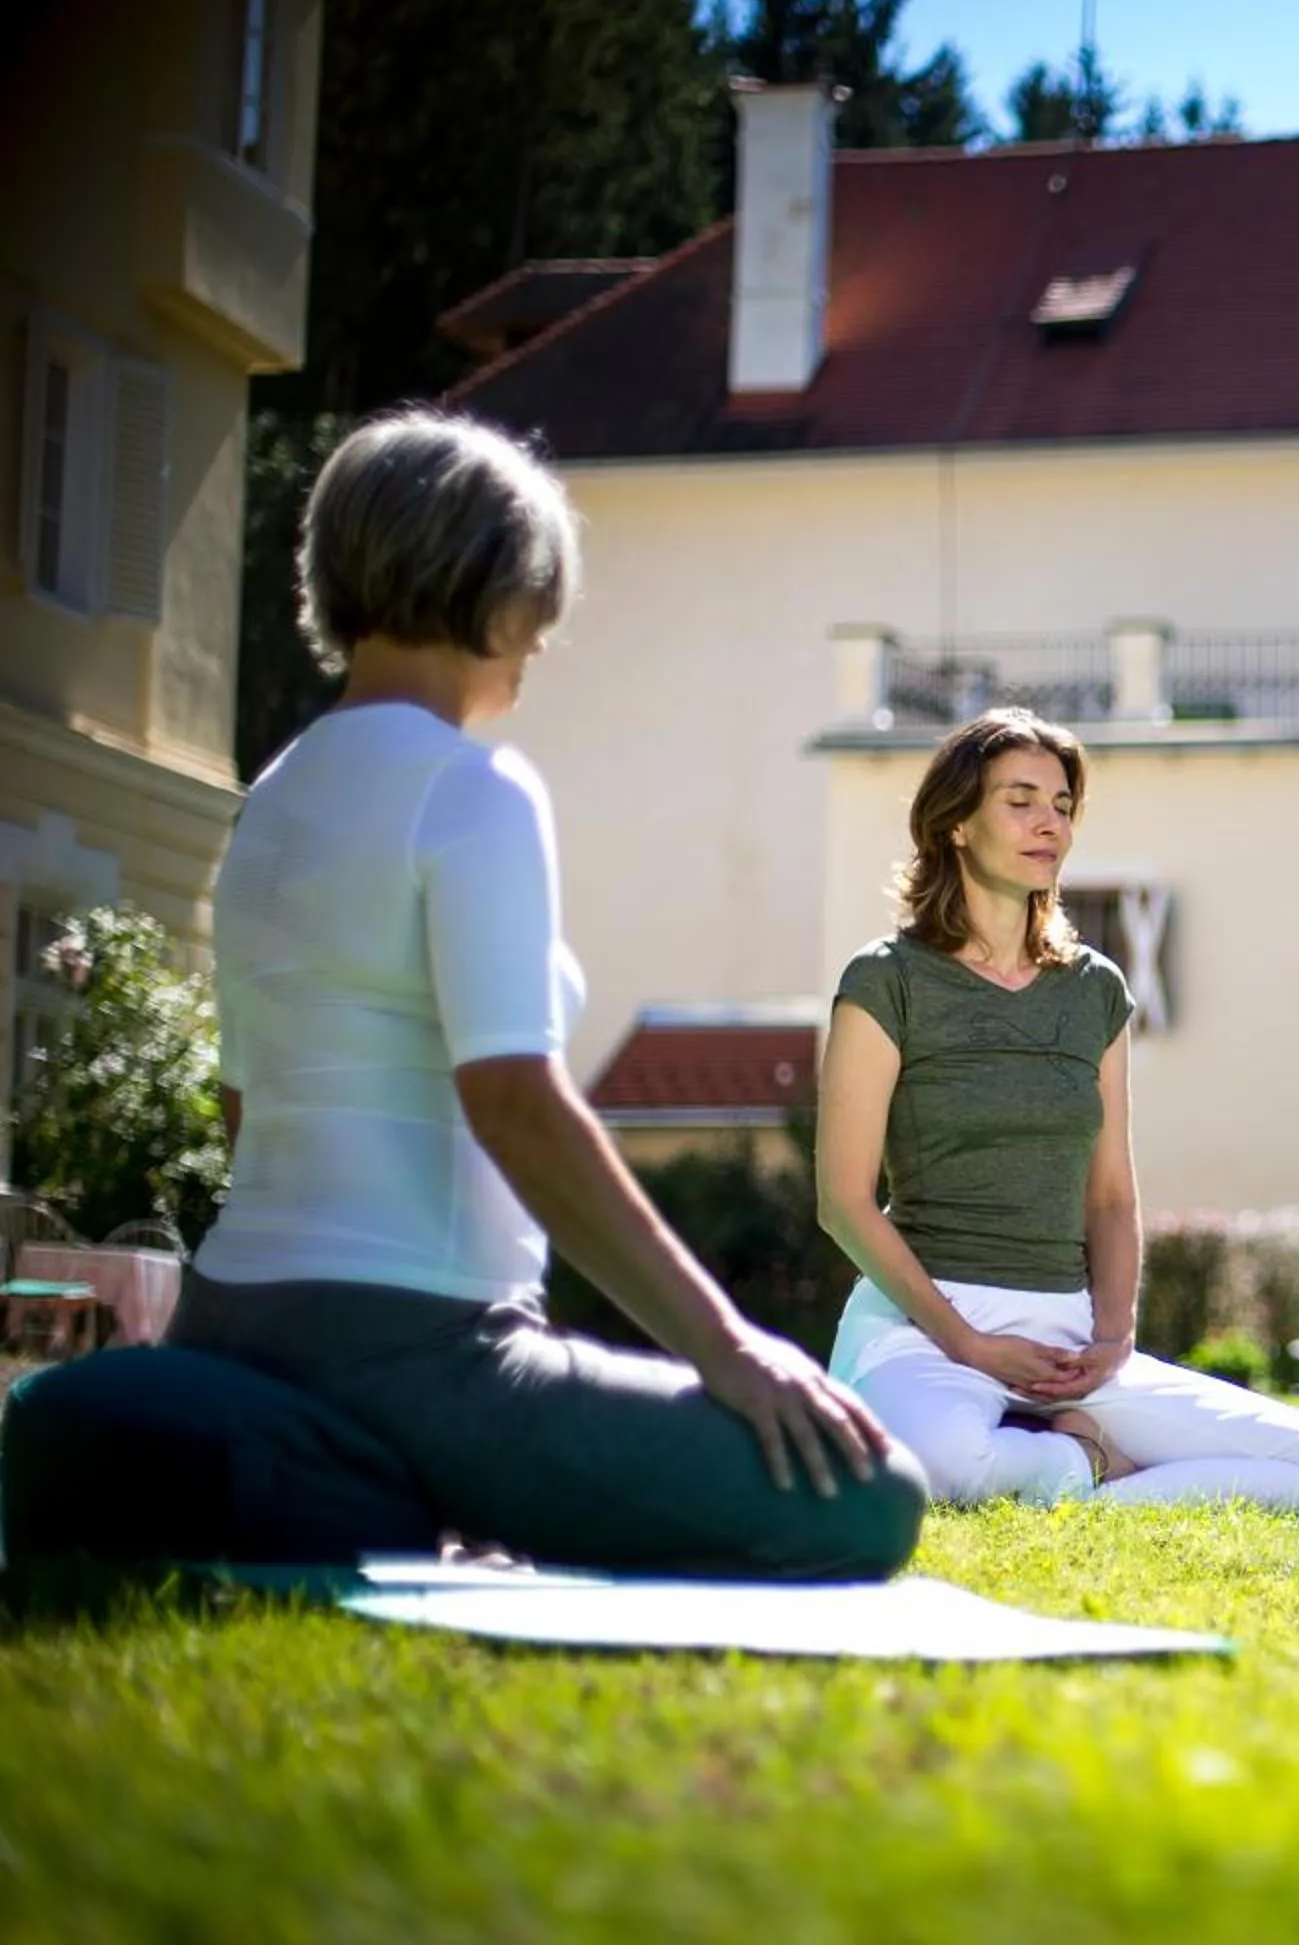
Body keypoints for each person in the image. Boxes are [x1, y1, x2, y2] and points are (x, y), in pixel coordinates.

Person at [178, 410, 924, 1578]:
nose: (542, 637)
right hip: (425, 1351)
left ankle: (372, 1484)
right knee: (869, 1493)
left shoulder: (271, 796)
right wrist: (729, 1348)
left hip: (226, 1327)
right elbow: (516, 1103)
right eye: (536, 599)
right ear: (490, 585)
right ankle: (420, 1482)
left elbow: (244, 1107)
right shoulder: (475, 789)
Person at [815, 710, 1299, 1517]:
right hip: (921, 1327)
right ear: (957, 826)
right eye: (1020, 800)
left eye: (1063, 803)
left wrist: (1112, 1339)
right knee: (936, 1470)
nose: (1051, 821)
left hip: (1066, 1338)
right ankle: (1081, 1458)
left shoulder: (1094, 991)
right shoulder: (887, 981)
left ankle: (1075, 1470)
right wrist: (967, 1344)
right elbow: (841, 1198)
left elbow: (1111, 1194)